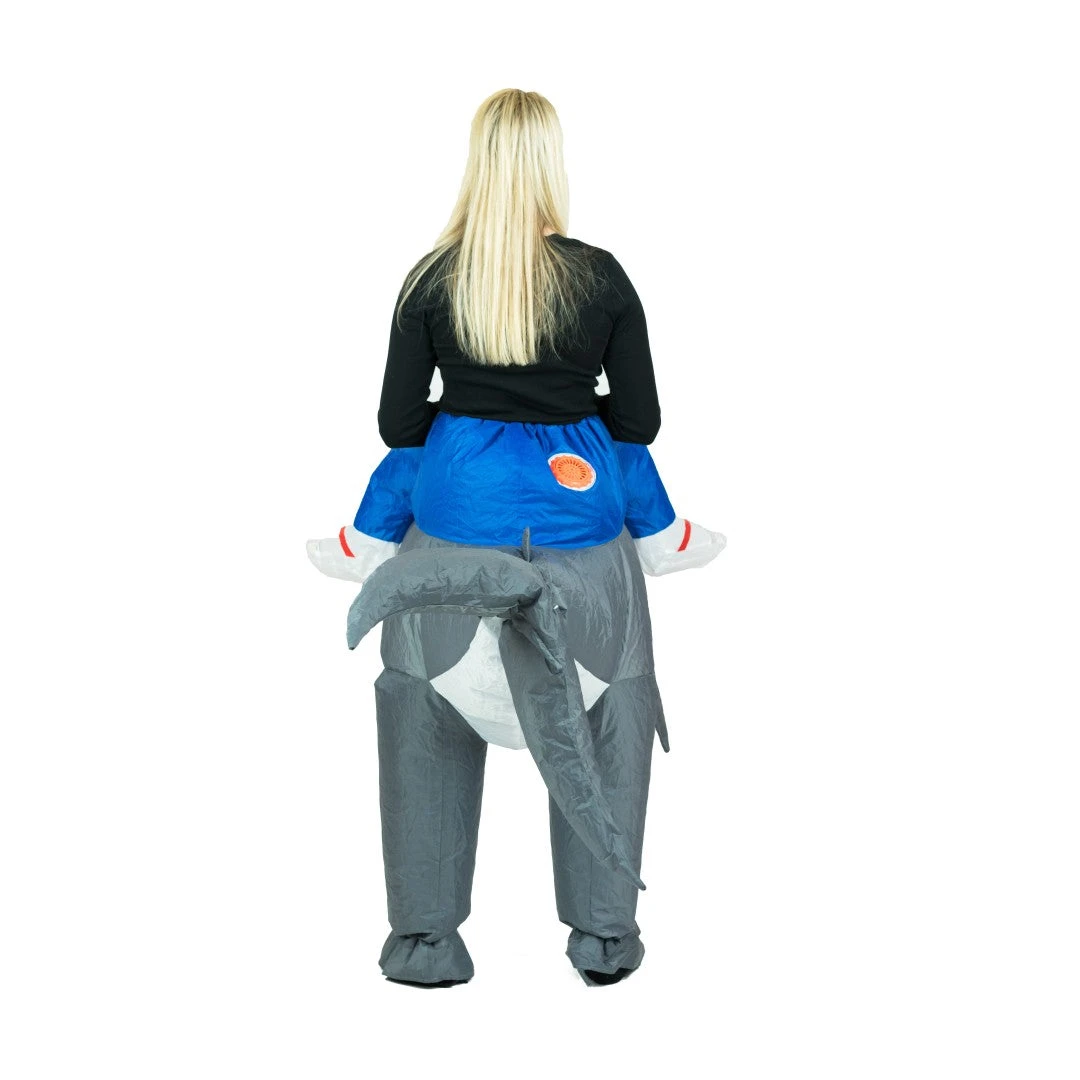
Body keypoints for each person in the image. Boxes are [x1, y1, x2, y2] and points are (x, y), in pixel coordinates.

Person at [306, 88, 725, 987]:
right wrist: (564, 402)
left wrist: (476, 407)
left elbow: (397, 426)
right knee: (608, 726)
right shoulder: (600, 278)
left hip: (446, 566)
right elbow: (640, 422)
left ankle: (425, 942)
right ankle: (603, 938)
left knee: (421, 723)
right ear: (550, 164)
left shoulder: (431, 278)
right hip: (589, 577)